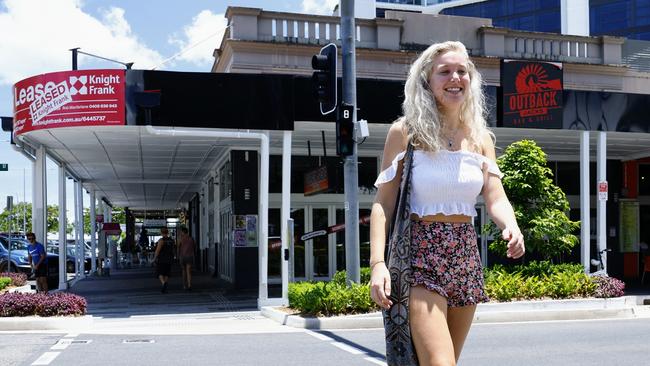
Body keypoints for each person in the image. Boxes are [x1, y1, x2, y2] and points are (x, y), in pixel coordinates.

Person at [370, 41, 525, 365]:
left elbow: (496, 196)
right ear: (427, 80)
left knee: (444, 359)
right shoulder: (406, 133)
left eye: (462, 71)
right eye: (445, 71)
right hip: (418, 258)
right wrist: (377, 264)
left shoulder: (480, 139)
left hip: (465, 256)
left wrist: (510, 224)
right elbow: (383, 204)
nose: (455, 78)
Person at [153, 227, 175, 293]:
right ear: (167, 232)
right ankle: (164, 285)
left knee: (160, 272)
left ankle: (163, 283)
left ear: (161, 232)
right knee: (167, 273)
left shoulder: (161, 240)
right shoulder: (171, 240)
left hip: (162, 259)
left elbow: (157, 251)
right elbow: (173, 250)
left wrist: (154, 259)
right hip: (169, 259)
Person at [177, 226, 196, 291]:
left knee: (183, 271)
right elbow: (194, 247)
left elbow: (178, 248)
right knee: (189, 271)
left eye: (181, 232)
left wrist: (177, 256)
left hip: (182, 257)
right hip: (190, 256)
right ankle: (189, 285)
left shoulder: (180, 239)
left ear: (182, 232)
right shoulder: (191, 239)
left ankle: (184, 285)